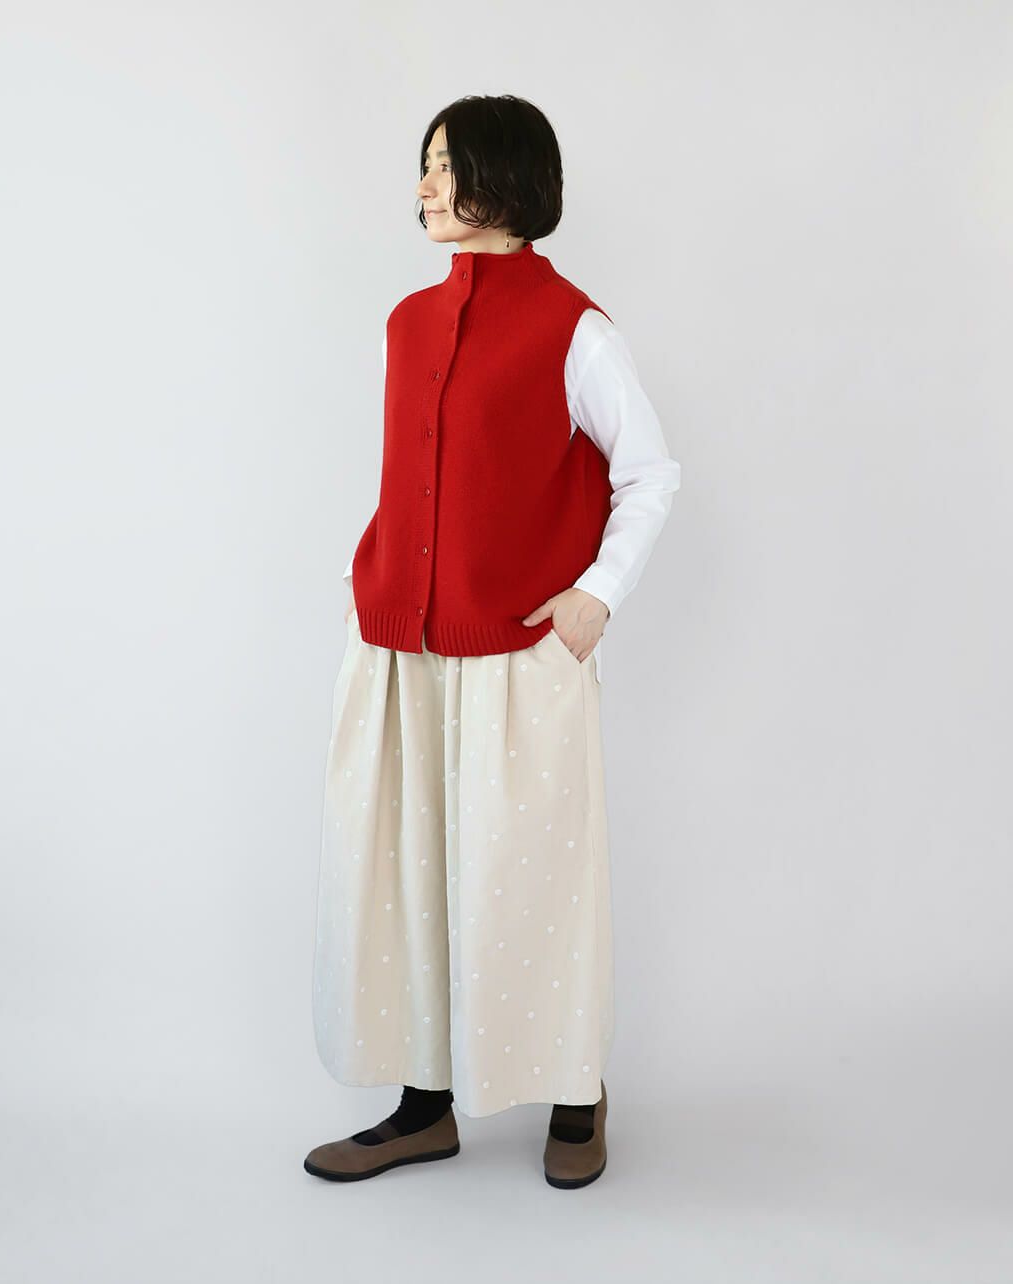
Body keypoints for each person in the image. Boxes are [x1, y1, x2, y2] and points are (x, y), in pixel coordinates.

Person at [305, 95, 681, 1188]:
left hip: (520, 656)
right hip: (399, 649)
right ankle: (422, 1107)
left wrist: (596, 596)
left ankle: (574, 1092)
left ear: (505, 179)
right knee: (404, 875)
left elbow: (649, 472)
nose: (423, 186)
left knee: (530, 877)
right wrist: (366, 576)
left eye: (444, 165)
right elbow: (414, 471)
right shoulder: (406, 322)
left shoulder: (574, 328)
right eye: (423, 165)